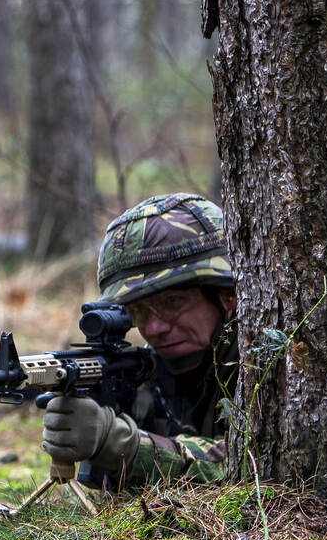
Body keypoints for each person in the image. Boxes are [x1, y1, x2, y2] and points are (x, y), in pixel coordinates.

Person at [41, 193, 238, 489]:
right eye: (138, 310)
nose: (154, 327)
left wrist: (124, 445)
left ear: (227, 295)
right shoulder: (142, 373)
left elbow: (254, 463)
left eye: (173, 301)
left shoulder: (267, 358)